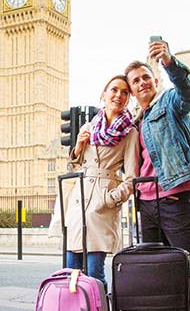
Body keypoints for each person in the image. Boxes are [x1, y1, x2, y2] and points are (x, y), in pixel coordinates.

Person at [124, 38, 190, 311]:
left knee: (189, 266)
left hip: (175, 199)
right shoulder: (137, 122)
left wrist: (169, 62)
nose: (142, 83)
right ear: (132, 92)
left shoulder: (170, 103)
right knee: (156, 271)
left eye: (146, 77)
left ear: (155, 81)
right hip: (146, 205)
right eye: (135, 81)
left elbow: (189, 92)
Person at [50, 74, 140, 288]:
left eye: (124, 92)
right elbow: (73, 169)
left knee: (94, 274)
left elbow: (132, 178)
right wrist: (78, 149)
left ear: (128, 99)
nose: (118, 95)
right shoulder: (89, 127)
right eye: (114, 90)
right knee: (70, 272)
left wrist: (109, 199)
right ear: (104, 94)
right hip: (77, 203)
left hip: (101, 207)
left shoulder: (130, 133)